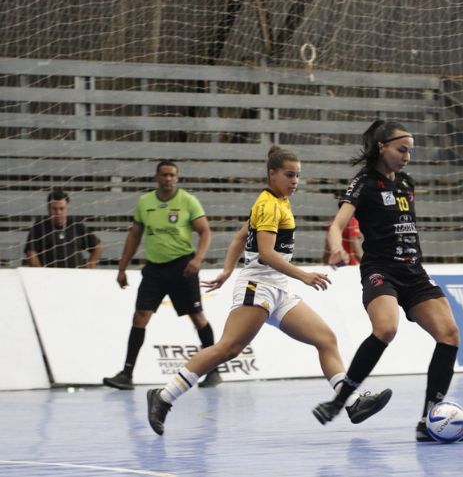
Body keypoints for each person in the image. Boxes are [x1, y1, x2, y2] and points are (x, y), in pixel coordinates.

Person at [146, 146, 392, 435]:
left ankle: (350, 403)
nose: (295, 180)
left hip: (277, 288)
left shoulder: (279, 201)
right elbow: (265, 253)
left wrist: (227, 270)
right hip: (259, 286)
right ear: (271, 173)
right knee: (229, 348)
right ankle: (163, 396)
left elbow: (241, 236)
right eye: (289, 174)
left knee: (325, 338)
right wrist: (304, 275)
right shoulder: (269, 205)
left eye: (298, 175)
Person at [311, 120, 463, 442]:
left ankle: (429, 419)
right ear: (382, 147)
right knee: (386, 329)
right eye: (401, 149)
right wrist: (338, 247)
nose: (407, 156)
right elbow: (337, 224)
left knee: (450, 335)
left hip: (414, 272)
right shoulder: (364, 183)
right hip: (381, 269)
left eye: (410, 150)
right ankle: (339, 402)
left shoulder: (407, 182)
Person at [103, 160, 221, 390]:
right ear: (157, 177)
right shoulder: (145, 202)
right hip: (154, 269)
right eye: (164, 175)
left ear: (177, 178)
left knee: (197, 317)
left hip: (182, 267)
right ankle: (126, 374)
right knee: (140, 316)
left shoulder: (187, 201)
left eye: (172, 175)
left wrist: (197, 259)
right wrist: (122, 268)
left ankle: (214, 371)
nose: (168, 179)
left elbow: (205, 231)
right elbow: (135, 235)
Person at [24, 187, 102, 268]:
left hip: (75, 275)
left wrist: (91, 263)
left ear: (67, 208)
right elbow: (31, 252)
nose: (58, 212)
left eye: (61, 208)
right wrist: (40, 272)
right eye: (54, 209)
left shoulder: (76, 225)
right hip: (49, 276)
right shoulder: (39, 226)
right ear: (48, 209)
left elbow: (97, 246)